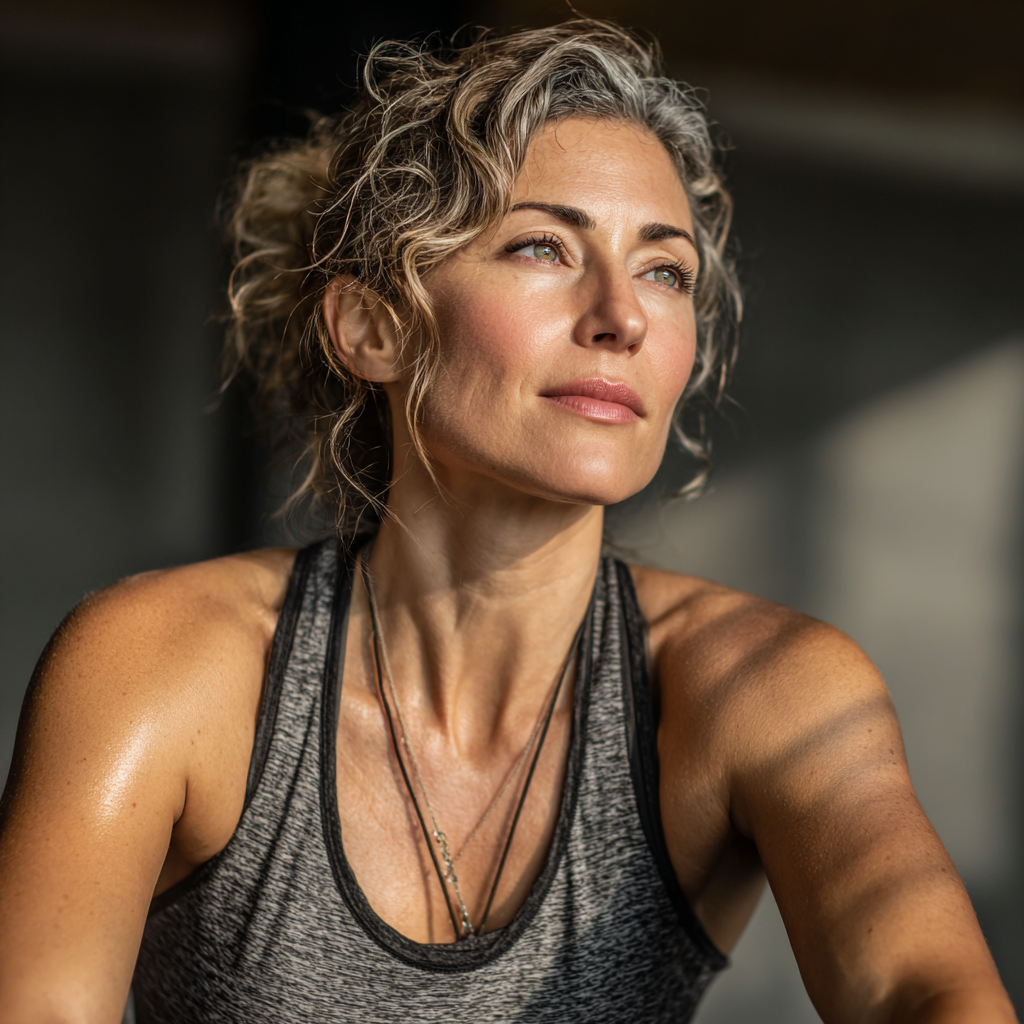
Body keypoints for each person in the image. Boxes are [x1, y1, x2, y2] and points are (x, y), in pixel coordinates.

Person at [0, 19, 1015, 1024]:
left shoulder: (764, 688)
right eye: (543, 247)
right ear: (374, 327)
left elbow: (920, 989)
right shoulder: (161, 665)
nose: (622, 315)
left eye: (664, 270)